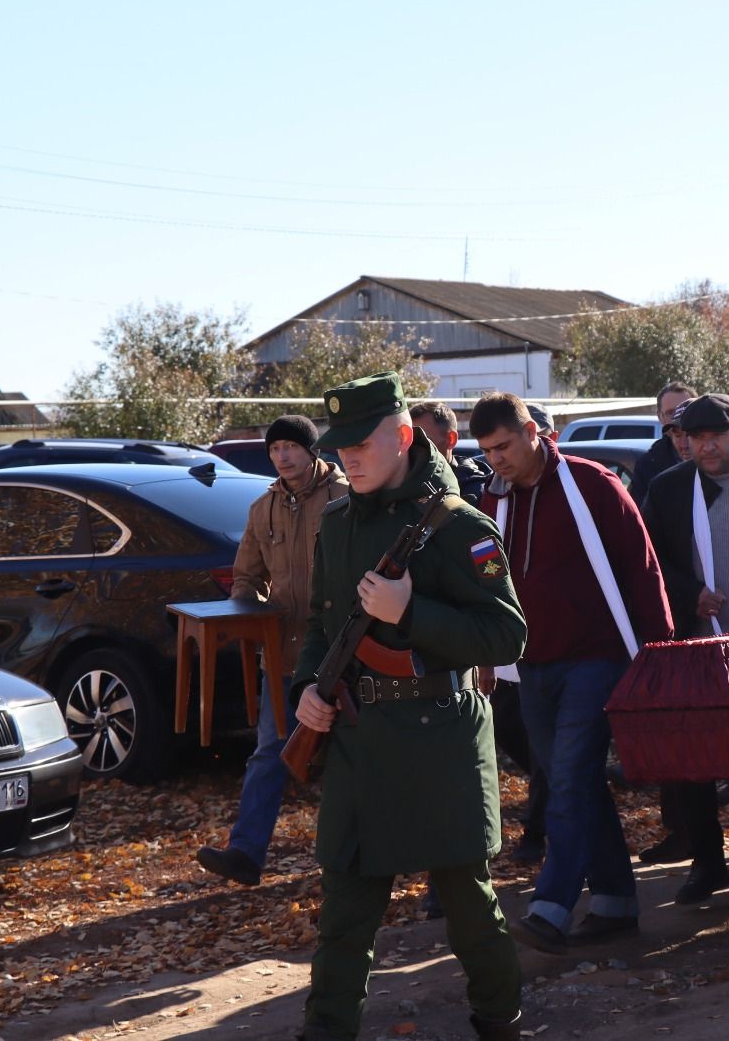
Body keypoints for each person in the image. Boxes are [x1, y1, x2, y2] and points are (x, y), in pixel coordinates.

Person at [291, 372, 527, 1041]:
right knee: (344, 913)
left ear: (402, 438)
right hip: (359, 744)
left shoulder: (455, 526)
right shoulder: (335, 522)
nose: (347, 459)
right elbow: (320, 624)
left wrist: (410, 613)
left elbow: (508, 634)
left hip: (440, 741)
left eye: (361, 445)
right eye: (339, 448)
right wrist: (307, 688)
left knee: (469, 911)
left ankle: (500, 1023)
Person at [474, 392, 673, 955]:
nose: (497, 460)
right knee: (576, 781)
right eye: (488, 451)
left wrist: (658, 654)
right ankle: (614, 903)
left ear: (535, 431)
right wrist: (487, 653)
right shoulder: (495, 499)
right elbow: (487, 582)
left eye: (505, 446)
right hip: (532, 665)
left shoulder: (593, 484)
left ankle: (552, 906)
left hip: (599, 656)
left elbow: (642, 566)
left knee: (566, 779)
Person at [640, 394, 729, 906]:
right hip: (701, 644)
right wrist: (690, 595)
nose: (703, 446)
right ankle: (708, 862)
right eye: (692, 437)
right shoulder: (669, 489)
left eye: (714, 436)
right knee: (694, 760)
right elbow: (652, 560)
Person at [196, 416, 350, 886]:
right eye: (276, 448)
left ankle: (353, 860)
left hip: (343, 655)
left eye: (292, 447)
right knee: (269, 753)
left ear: (313, 450)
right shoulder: (262, 508)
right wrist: (242, 615)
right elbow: (247, 578)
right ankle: (245, 853)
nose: (283, 456)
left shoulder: (345, 497)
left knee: (351, 757)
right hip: (284, 656)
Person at [411, 402, 546, 864]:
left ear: (449, 441)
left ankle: (541, 820)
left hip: (509, 634)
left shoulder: (477, 494)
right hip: (461, 644)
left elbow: (492, 570)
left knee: (533, 738)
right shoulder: (408, 497)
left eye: (425, 439)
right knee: (509, 733)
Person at [629, 382, 696, 506]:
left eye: (685, 409)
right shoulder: (647, 465)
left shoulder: (715, 455)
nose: (679, 415)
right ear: (660, 417)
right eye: (671, 412)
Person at [412, 401, 489, 505]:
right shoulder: (400, 485)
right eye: (409, 441)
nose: (412, 448)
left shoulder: (475, 489)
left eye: (423, 440)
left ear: (451, 439)